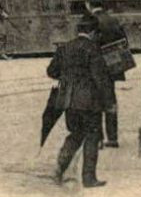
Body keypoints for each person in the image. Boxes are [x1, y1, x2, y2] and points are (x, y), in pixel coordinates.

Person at [47, 14, 115, 187]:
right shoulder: (93, 49)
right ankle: (89, 178)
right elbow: (100, 78)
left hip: (68, 101)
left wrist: (68, 74)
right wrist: (109, 103)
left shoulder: (65, 48)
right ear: (92, 32)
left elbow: (51, 71)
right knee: (92, 136)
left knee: (75, 135)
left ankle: (59, 169)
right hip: (89, 102)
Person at [83, 0, 130, 148]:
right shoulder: (113, 20)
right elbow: (124, 42)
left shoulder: (88, 22)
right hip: (112, 66)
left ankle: (98, 139)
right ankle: (113, 138)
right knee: (110, 100)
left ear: (88, 4)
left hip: (94, 68)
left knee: (94, 103)